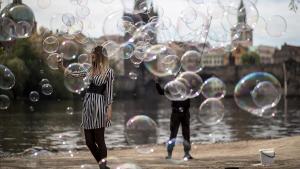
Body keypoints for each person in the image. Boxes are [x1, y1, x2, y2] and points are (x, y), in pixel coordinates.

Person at [58, 46, 114, 169]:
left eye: (93, 55)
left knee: (100, 140)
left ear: (99, 55)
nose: (91, 57)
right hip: (88, 104)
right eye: (91, 55)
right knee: (89, 142)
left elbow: (109, 93)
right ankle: (103, 165)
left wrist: (109, 110)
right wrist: (61, 66)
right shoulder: (89, 70)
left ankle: (103, 167)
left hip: (99, 104)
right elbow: (73, 75)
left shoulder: (108, 72)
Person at [154, 77, 193, 160]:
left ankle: (187, 154)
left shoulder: (187, 89)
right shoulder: (172, 89)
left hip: (185, 113)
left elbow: (195, 90)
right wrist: (157, 83)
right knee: (173, 134)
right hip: (176, 114)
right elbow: (161, 92)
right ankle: (169, 155)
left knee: (186, 134)